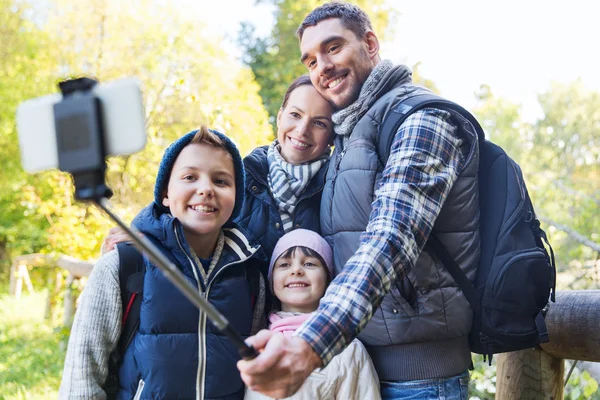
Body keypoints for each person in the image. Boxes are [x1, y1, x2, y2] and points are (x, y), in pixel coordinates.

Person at [237, 3, 480, 400]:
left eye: (333, 48)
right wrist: (158, 229)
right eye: (311, 60)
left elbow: (391, 237)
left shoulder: (421, 119)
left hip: (420, 381)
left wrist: (310, 345)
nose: (322, 67)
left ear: (370, 43)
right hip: (357, 370)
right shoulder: (349, 136)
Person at [59, 126, 265, 399]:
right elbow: (81, 378)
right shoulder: (124, 265)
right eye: (190, 177)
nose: (205, 189)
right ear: (166, 193)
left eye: (221, 181)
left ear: (236, 198)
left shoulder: (250, 275)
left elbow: (256, 378)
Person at [244, 229, 381, 400]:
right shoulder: (256, 341)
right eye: (284, 265)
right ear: (271, 282)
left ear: (328, 279)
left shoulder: (348, 349)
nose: (296, 271)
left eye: (309, 264)